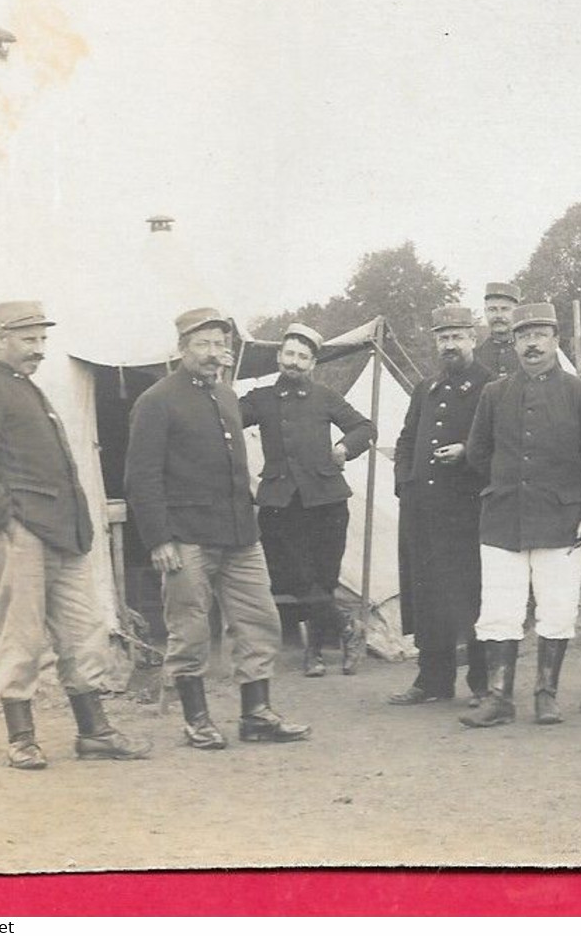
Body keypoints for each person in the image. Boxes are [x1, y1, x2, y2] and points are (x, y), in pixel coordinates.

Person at [0, 301, 151, 769]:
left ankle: (95, 733)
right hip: (21, 532)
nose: (38, 350)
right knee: (21, 635)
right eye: (28, 340)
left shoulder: (29, 389)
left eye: (42, 340)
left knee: (86, 631)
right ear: (1, 338)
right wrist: (8, 518)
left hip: (64, 534)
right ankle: (21, 739)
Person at [125, 308, 310, 750]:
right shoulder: (156, 401)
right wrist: (159, 538)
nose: (213, 354)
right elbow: (141, 477)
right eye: (203, 344)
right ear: (182, 348)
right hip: (185, 537)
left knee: (259, 620)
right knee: (189, 629)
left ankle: (256, 715)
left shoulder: (228, 398)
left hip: (240, 536)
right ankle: (197, 720)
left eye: (219, 345)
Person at [462, 302, 581, 728]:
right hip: (503, 519)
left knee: (558, 607)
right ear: (512, 343)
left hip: (562, 520)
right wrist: (504, 483)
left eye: (540, 335)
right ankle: (499, 698)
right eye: (523, 336)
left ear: (556, 340)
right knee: (499, 609)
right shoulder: (494, 393)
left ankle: (546, 694)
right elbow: (477, 452)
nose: (531, 344)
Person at [239, 323, 376, 676]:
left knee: (323, 578)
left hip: (326, 502)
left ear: (313, 363)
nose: (295, 363)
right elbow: (228, 417)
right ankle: (348, 626)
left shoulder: (325, 397)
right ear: (278, 357)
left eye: (303, 357)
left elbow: (365, 428)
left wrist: (345, 447)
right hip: (280, 504)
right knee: (297, 578)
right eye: (289, 354)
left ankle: (314, 653)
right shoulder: (260, 399)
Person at [387, 305, 495, 705]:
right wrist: (405, 481)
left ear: (473, 337)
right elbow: (404, 439)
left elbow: (499, 443)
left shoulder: (490, 386)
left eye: (457, 337)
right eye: (443, 338)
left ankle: (483, 684)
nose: (450, 345)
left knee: (470, 598)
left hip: (466, 511)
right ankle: (432, 680)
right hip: (423, 510)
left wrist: (467, 452)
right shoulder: (425, 388)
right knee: (427, 595)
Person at [474, 282, 526, 381]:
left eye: (505, 309)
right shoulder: (475, 356)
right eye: (492, 309)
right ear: (485, 312)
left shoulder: (533, 351)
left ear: (516, 312)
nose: (498, 315)